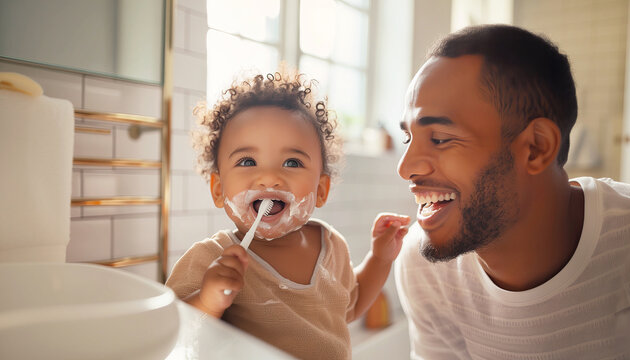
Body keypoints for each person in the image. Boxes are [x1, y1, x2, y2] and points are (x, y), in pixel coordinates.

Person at [394, 24, 630, 359]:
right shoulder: (423, 268)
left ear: (536, 148)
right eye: (408, 138)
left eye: (441, 138)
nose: (406, 169)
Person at [166, 71, 410, 360]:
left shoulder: (332, 247)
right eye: (247, 161)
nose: (269, 177)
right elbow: (173, 330)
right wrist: (208, 300)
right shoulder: (210, 259)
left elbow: (351, 306)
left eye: (292, 162)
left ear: (321, 189)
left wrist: (380, 259)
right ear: (219, 190)